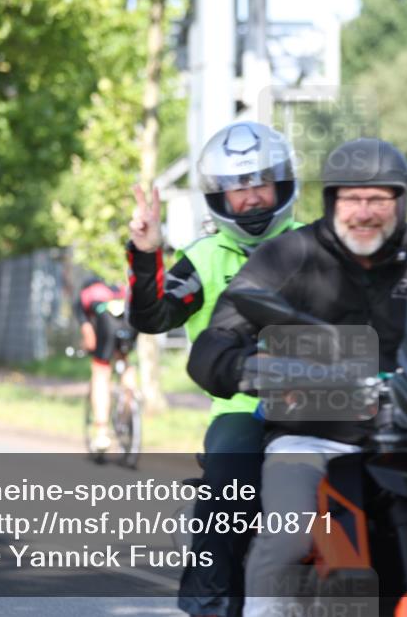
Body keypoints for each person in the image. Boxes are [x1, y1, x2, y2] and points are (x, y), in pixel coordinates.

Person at [185, 137, 407, 616]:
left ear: (400, 201)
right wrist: (241, 366)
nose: (365, 211)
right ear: (330, 202)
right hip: (311, 434)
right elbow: (218, 338)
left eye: (379, 198)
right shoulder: (287, 257)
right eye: (351, 198)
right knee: (285, 539)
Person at [125, 121, 302, 617]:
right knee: (228, 485)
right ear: (217, 196)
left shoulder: (319, 246)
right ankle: (212, 604)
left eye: (259, 182)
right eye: (235, 186)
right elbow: (152, 316)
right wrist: (146, 253)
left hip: (329, 401)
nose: (249, 197)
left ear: (282, 183)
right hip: (244, 408)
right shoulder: (202, 258)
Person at [73, 276, 138, 453]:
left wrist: (88, 347)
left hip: (106, 321)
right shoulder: (117, 290)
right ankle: (129, 404)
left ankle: (101, 433)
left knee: (100, 371)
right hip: (129, 319)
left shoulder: (83, 299)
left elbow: (89, 337)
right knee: (124, 360)